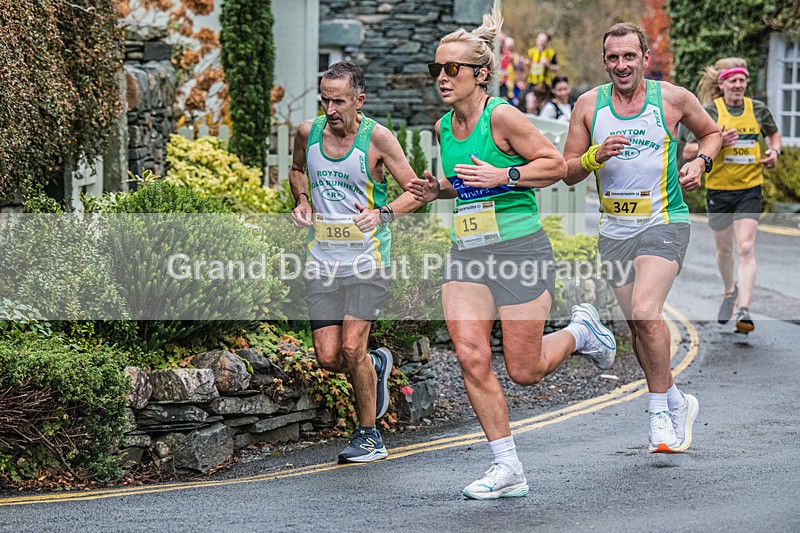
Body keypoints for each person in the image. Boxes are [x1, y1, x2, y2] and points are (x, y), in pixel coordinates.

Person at [408, 8, 617, 500]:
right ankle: (507, 467)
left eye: (452, 69)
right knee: (470, 355)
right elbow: (464, 185)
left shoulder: (502, 116)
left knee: (525, 370)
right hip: (468, 252)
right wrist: (434, 187)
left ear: (479, 74)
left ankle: (580, 331)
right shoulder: (444, 127)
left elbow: (557, 165)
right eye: (437, 69)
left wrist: (508, 176)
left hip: (520, 249)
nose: (442, 77)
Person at [563, 23, 721, 454]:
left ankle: (658, 417)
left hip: (664, 222)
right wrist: (595, 155)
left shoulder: (671, 99)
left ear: (645, 58)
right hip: (614, 232)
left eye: (629, 56)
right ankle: (676, 399)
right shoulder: (588, 106)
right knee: (638, 324)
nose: (621, 65)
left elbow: (712, 132)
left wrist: (701, 163)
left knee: (648, 313)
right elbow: (569, 170)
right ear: (604, 62)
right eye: (613, 58)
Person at [290, 61, 422, 464]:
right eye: (325, 100)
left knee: (351, 346)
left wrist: (383, 214)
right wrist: (302, 200)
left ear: (359, 101)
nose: (330, 110)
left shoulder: (377, 139)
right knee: (329, 358)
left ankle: (369, 436)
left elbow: (415, 191)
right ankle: (377, 363)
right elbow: (296, 170)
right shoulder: (306, 133)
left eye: (339, 101)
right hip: (322, 261)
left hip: (368, 260)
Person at [683, 58, 781, 334]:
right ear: (722, 84)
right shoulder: (710, 112)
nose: (738, 85)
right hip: (719, 190)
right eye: (733, 80)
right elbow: (688, 150)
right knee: (724, 250)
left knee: (746, 247)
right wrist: (719, 143)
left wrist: (775, 152)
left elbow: (774, 136)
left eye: (742, 79)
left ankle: (744, 310)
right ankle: (729, 292)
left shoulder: (757, 110)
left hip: (750, 188)